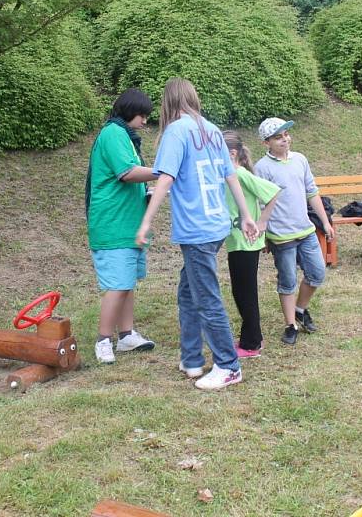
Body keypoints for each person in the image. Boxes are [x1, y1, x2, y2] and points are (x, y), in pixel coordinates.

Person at [135, 78, 259, 391]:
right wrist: (244, 215)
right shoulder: (212, 130)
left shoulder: (176, 131)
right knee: (189, 292)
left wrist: (147, 221)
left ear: (168, 102)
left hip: (198, 230)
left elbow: (165, 179)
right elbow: (230, 175)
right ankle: (191, 359)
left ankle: (228, 366)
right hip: (215, 225)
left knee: (206, 297)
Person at [85, 88, 159, 364]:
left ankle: (126, 335)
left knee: (127, 282)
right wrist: (165, 171)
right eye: (143, 115)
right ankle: (103, 339)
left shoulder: (125, 136)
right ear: (131, 111)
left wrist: (149, 191)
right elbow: (127, 173)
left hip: (128, 224)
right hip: (113, 224)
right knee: (117, 284)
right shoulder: (113, 134)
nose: (145, 122)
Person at [253, 118, 334, 345]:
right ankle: (291, 325)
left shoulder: (300, 159)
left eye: (286, 135)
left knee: (317, 274)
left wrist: (325, 222)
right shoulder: (261, 168)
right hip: (281, 236)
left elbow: (312, 191)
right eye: (278, 137)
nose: (285, 139)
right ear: (266, 142)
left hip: (306, 230)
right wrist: (265, 235)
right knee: (287, 281)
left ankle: (300, 309)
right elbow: (260, 203)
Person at [222, 131, 280, 358]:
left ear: (232, 154)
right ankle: (251, 338)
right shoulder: (230, 174)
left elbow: (273, 193)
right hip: (236, 241)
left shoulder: (239, 173)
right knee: (240, 291)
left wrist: (262, 222)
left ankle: (251, 343)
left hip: (246, 242)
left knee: (245, 293)